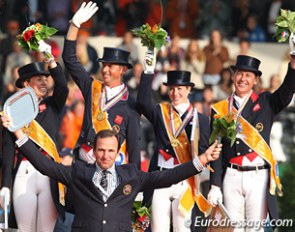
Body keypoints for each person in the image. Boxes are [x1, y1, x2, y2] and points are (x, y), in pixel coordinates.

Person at [1, 115, 222, 232]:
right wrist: (18, 133)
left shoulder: (131, 174)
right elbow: (45, 165)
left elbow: (165, 177)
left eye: (110, 151)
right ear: (94, 152)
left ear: (117, 153)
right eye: (101, 150)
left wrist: (201, 160)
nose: (105, 155)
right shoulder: (79, 171)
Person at [207, 51, 295, 231]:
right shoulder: (220, 109)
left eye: (248, 75)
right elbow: (216, 149)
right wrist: (214, 184)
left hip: (257, 176)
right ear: (232, 76)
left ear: (255, 80)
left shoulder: (266, 102)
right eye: (239, 73)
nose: (242, 78)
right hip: (231, 176)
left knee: (256, 229)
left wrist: (293, 66)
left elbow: (286, 92)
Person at [137, 51, 211, 231]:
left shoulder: (200, 119)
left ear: (189, 90)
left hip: (185, 181)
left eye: (179, 89)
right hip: (161, 176)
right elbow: (142, 103)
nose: (175, 93)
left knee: (182, 229)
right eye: (171, 89)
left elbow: (203, 152)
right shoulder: (159, 111)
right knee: (158, 228)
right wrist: (148, 70)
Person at [62, 1, 141, 168]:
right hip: (85, 165)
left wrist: (133, 185)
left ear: (122, 70)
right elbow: (69, 59)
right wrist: (75, 25)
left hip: (114, 169)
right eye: (103, 65)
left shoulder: (131, 105)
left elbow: (133, 149)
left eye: (110, 66)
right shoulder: (92, 87)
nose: (105, 70)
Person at [0, 42, 69, 231]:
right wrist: (5, 185)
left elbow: (62, 86)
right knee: (25, 229)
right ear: (26, 83)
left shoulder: (52, 106)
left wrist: (50, 59)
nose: (44, 82)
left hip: (48, 173)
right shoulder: (11, 111)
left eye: (46, 79)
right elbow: (7, 151)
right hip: (24, 172)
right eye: (39, 79)